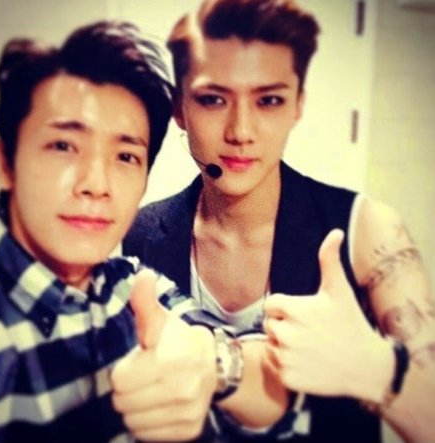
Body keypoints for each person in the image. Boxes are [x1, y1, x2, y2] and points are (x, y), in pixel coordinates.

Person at [123, 0, 435, 442]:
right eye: (213, 99)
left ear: (297, 106)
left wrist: (376, 370)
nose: (241, 131)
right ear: (180, 108)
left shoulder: (367, 230)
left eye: (268, 100)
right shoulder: (138, 232)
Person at [0, 20, 288, 443]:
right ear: (6, 163)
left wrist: (213, 366)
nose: (97, 184)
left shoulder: (129, 286)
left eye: (126, 156)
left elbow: (268, 386)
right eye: (63, 146)